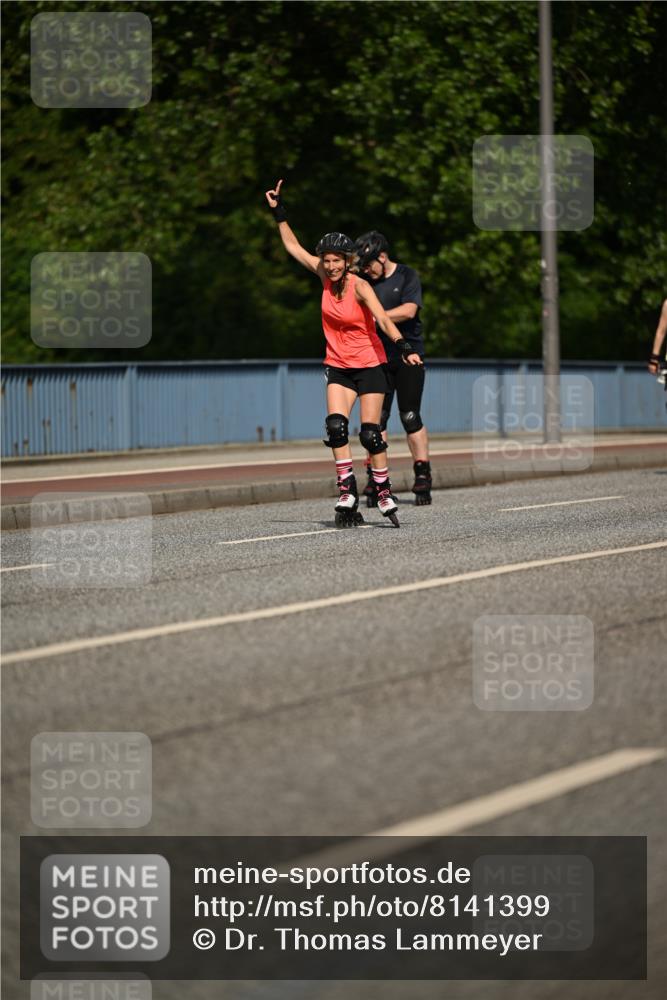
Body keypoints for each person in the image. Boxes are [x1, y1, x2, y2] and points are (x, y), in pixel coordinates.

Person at [264, 179, 423, 527]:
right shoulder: (322, 276)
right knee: (336, 427)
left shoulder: (361, 286)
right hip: (338, 365)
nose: (332, 266)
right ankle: (346, 488)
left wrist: (405, 347)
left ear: (347, 261)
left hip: (370, 365)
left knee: (370, 434)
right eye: (327, 260)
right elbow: (293, 248)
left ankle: (382, 490)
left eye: (337, 261)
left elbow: (383, 318)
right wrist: (279, 213)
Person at [354, 231, 432, 506]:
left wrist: (377, 316)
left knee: (410, 416)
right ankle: (377, 480)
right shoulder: (364, 281)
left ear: (383, 257)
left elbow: (409, 310)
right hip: (375, 357)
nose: (365, 271)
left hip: (408, 355)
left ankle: (422, 474)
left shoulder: (407, 276)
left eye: (368, 265)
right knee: (377, 421)